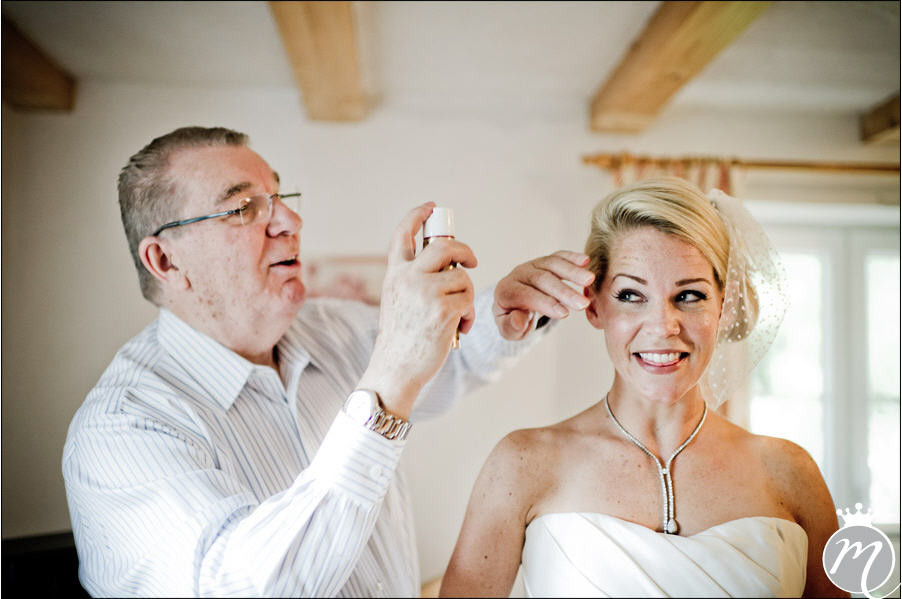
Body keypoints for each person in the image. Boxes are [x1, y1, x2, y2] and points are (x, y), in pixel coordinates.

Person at [62, 126, 595, 597]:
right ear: (166, 260)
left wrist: (505, 312)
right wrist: (391, 374)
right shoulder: (121, 430)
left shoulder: (329, 325)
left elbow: (445, 365)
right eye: (244, 208)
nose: (290, 220)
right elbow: (239, 588)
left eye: (280, 197)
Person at [440, 178, 845, 598]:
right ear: (594, 306)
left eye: (689, 295)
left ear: (723, 308)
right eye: (631, 294)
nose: (663, 327)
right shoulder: (522, 464)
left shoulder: (791, 473)